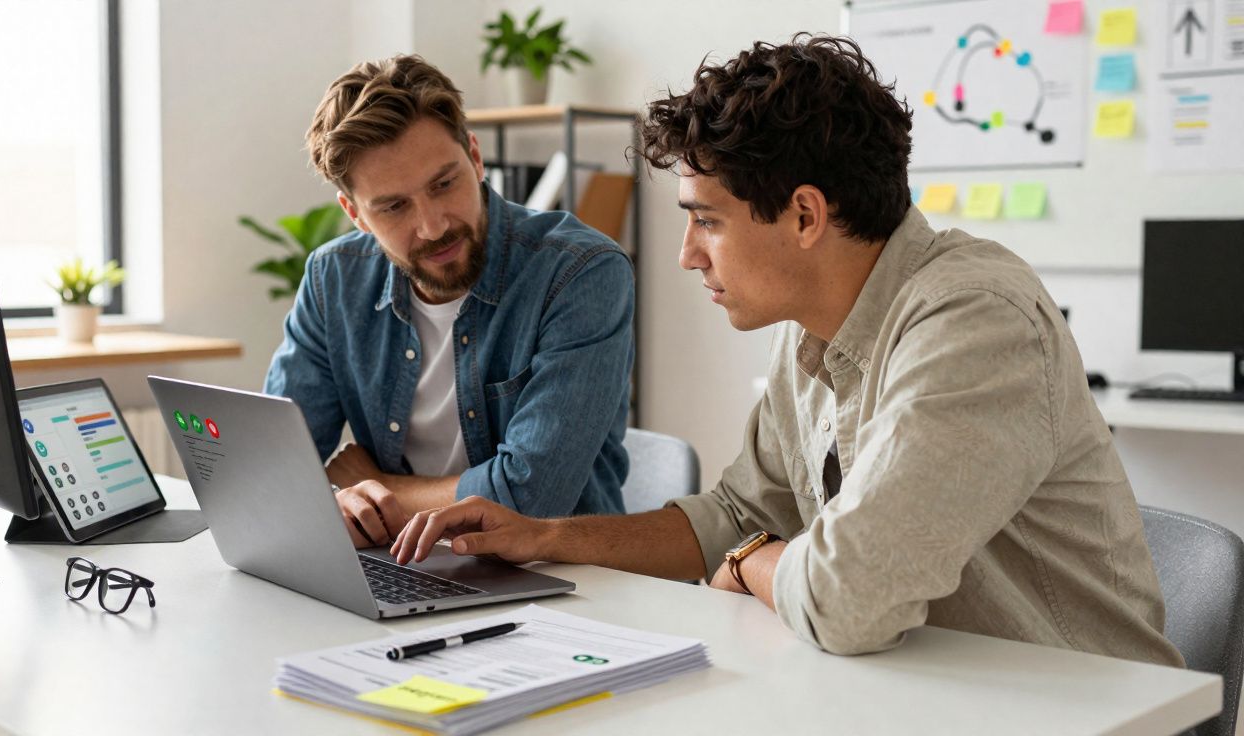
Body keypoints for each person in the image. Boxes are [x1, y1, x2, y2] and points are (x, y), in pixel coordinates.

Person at [389, 34, 1184, 667]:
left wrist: (748, 564)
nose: (687, 256)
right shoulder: (812, 327)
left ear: (805, 216)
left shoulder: (977, 322)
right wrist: (549, 537)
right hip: (913, 691)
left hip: (1080, 714)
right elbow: (737, 515)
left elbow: (847, 598)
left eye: (706, 220)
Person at [264, 55, 634, 548]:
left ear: (475, 158)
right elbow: (274, 465)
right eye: (394, 206)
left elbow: (528, 501)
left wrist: (381, 490)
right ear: (355, 213)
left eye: (444, 183)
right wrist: (335, 499)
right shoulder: (334, 279)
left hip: (555, 580)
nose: (433, 226)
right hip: (401, 567)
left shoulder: (578, 272)